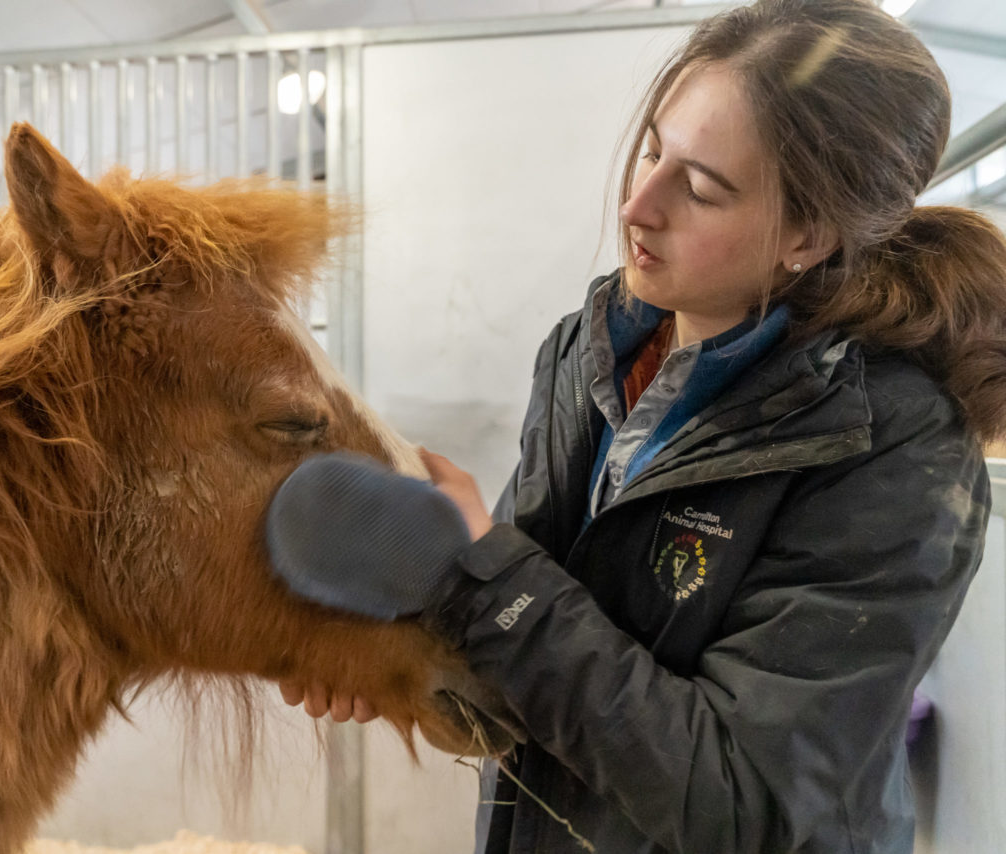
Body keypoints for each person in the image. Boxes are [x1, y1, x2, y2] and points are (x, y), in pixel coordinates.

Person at [266, 0, 1006, 851]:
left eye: (699, 188)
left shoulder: (894, 452)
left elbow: (745, 801)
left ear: (807, 235)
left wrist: (485, 582)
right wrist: (394, 654)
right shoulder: (590, 349)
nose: (637, 205)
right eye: (654, 149)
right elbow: (533, 662)